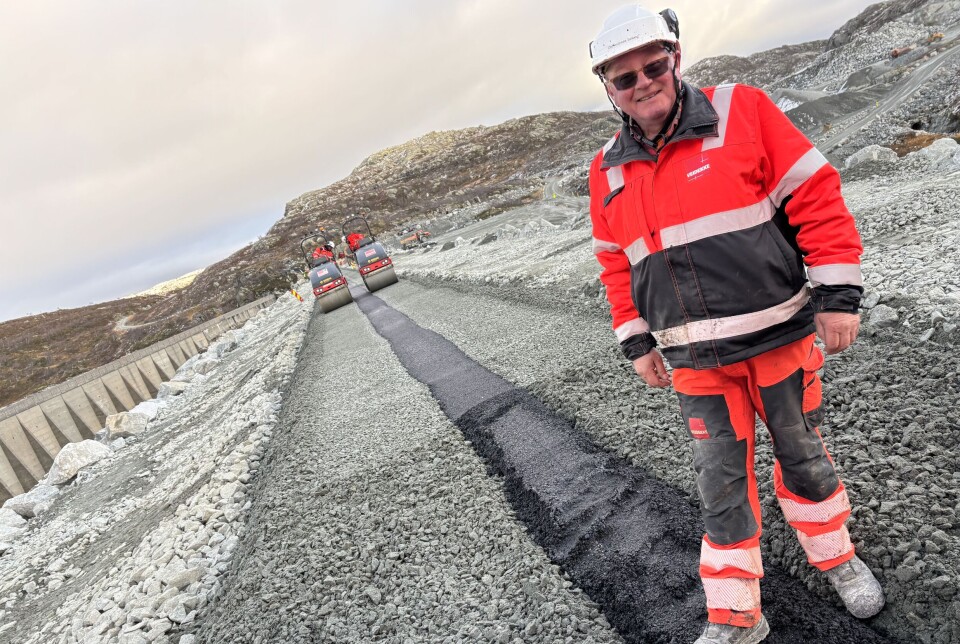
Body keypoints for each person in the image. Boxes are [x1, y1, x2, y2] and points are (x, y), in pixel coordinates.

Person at [587, 6, 884, 643]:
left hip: (779, 342)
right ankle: (735, 615)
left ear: (674, 60)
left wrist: (838, 294)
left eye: (653, 66)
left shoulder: (741, 110)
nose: (642, 83)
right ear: (607, 88)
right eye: (623, 78)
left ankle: (838, 559)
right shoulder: (606, 170)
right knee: (720, 485)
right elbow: (616, 263)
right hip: (695, 363)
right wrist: (636, 340)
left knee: (802, 455)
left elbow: (814, 192)